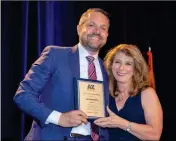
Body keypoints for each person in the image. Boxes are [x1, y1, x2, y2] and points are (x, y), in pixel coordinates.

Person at [13, 8, 110, 141]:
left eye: (103, 28)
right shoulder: (55, 55)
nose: (97, 31)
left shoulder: (108, 69)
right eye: (91, 25)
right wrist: (59, 118)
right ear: (78, 29)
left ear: (107, 34)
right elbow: (23, 95)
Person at [94, 44, 163, 141]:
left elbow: (155, 135)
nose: (121, 68)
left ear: (136, 68)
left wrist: (121, 123)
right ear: (111, 65)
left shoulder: (147, 94)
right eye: (117, 62)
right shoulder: (103, 92)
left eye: (128, 64)